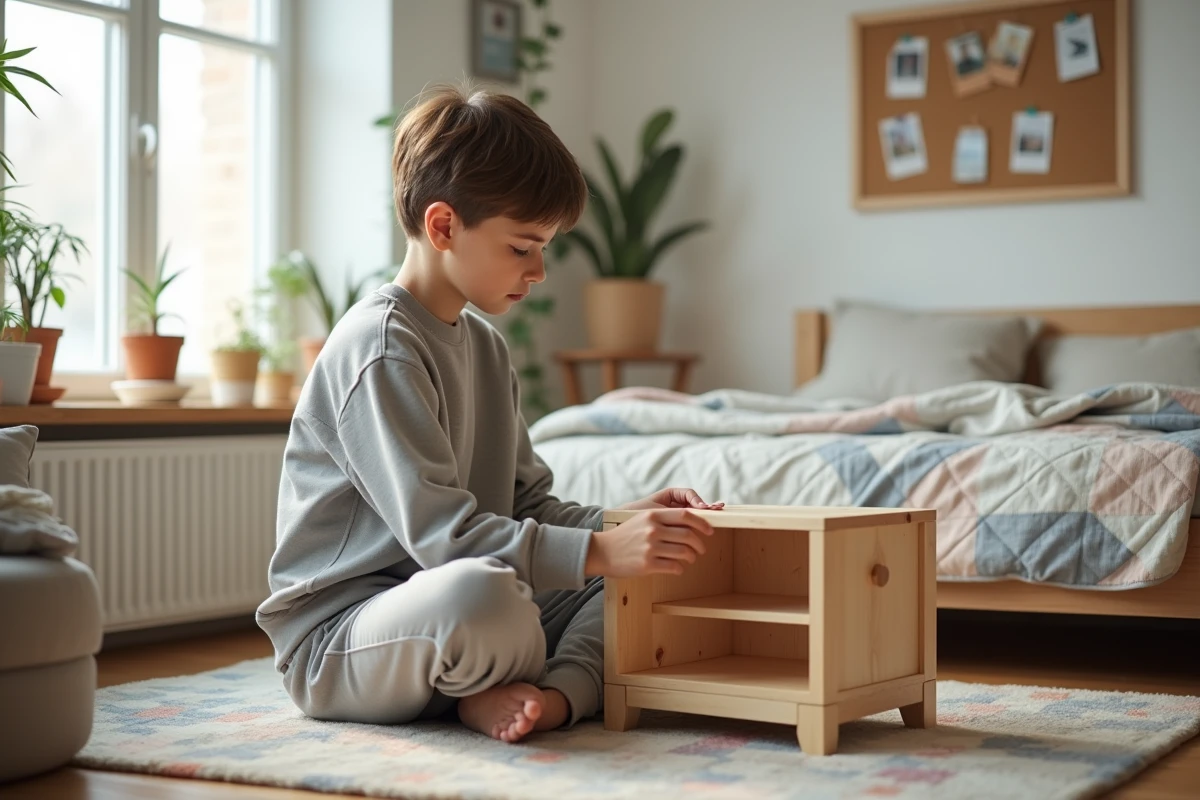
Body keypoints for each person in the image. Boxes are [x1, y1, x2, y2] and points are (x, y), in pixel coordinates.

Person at [256, 84, 722, 744]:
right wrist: (597, 549)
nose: (537, 271)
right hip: (341, 638)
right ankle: (482, 688)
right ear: (444, 226)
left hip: (453, 603)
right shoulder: (379, 347)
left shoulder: (483, 345)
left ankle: (551, 698)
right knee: (487, 597)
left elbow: (526, 503)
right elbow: (443, 540)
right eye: (521, 246)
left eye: (545, 248)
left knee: (630, 588)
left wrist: (624, 525)